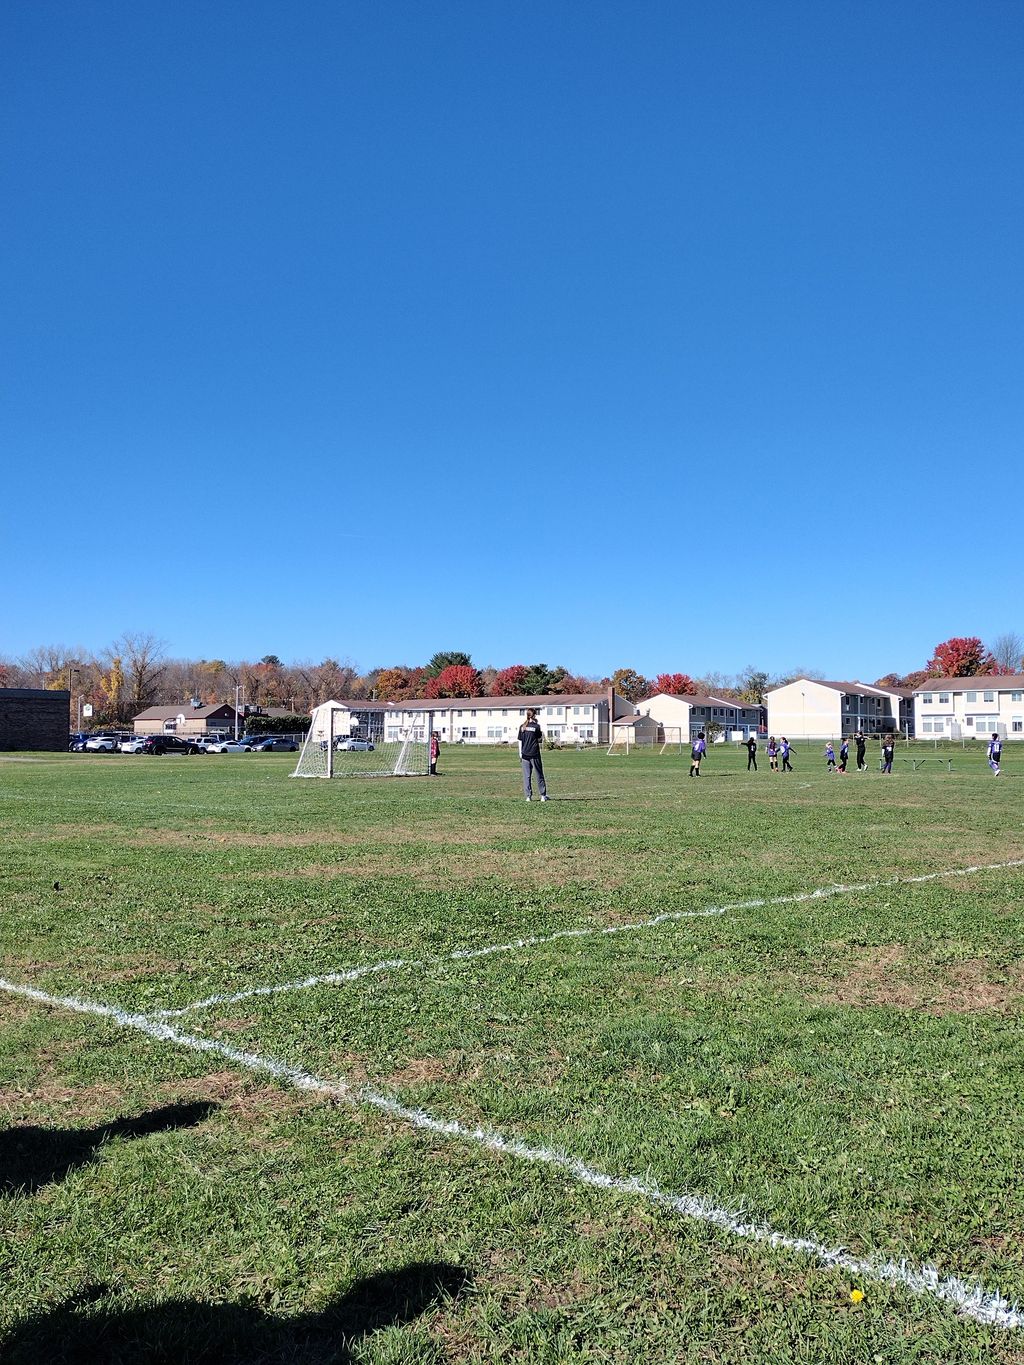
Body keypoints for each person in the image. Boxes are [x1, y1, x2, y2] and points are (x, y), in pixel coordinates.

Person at [518, 708, 548, 801]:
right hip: (534, 754)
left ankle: (528, 796)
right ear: (534, 715)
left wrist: (520, 754)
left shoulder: (522, 727)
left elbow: (520, 741)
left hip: (524, 754)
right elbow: (539, 739)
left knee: (527, 776)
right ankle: (543, 796)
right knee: (539, 774)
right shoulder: (536, 726)